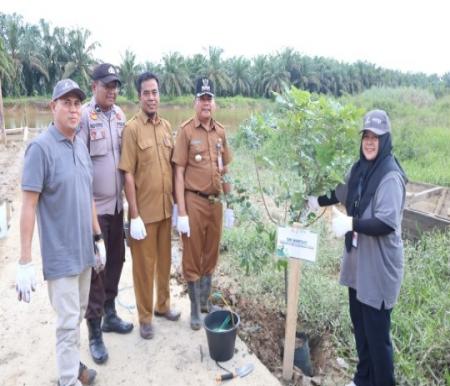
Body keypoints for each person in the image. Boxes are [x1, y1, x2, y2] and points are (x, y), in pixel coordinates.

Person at [308, 109, 407, 386]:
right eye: (366, 136)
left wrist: (351, 223)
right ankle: (363, 379)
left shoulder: (390, 176)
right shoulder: (359, 169)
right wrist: (316, 200)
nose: (370, 142)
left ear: (385, 140)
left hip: (378, 268)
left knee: (378, 338)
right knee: (361, 329)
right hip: (358, 266)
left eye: (376, 137)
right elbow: (340, 192)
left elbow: (386, 223)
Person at [16, 79, 104, 386]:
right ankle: (68, 379)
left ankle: (72, 364)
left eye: (77, 103)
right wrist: (25, 260)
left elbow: (88, 194)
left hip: (83, 251)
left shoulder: (79, 144)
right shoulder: (40, 148)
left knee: (76, 315)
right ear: (53, 107)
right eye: (65, 103)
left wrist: (97, 238)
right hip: (61, 254)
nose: (73, 108)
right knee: (68, 322)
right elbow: (28, 205)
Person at [78, 63, 133, 364]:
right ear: (94, 87)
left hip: (117, 206)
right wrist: (89, 219)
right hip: (95, 209)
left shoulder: (121, 116)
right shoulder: (86, 117)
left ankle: (110, 313)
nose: (112, 90)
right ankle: (94, 331)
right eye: (107, 85)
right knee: (96, 271)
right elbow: (81, 168)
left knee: (117, 261)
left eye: (115, 86)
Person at [119, 72, 180, 340]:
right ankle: (144, 317)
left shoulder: (166, 127)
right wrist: (133, 214)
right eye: (147, 93)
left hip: (166, 211)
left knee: (164, 263)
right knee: (143, 267)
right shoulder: (132, 129)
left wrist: (178, 206)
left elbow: (174, 168)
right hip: (144, 214)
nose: (152, 97)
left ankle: (163, 305)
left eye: (155, 92)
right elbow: (127, 173)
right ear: (139, 96)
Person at [172, 77, 234, 330]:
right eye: (202, 99)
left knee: (211, 251)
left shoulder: (220, 131)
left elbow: (226, 167)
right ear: (195, 102)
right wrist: (181, 211)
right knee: (192, 253)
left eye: (209, 99)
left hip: (216, 202)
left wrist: (229, 203)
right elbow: (178, 172)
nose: (206, 103)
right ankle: (195, 309)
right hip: (194, 200)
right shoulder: (186, 131)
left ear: (214, 103)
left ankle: (206, 301)